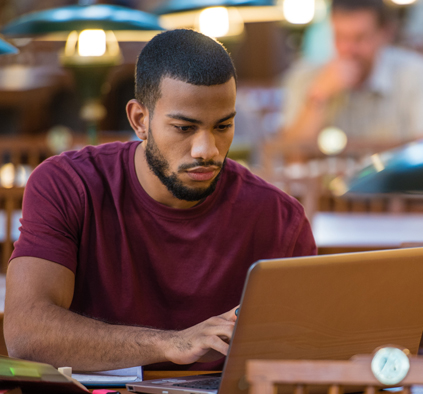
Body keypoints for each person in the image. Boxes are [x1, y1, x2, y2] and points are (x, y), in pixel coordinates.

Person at [4, 29, 316, 372]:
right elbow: (26, 334)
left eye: (223, 126)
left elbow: (308, 350)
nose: (206, 150)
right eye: (184, 128)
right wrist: (172, 343)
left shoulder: (279, 217)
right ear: (140, 119)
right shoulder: (68, 184)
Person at [281, 0, 423, 147]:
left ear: (385, 33)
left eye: (359, 38)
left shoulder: (418, 74)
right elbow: (289, 154)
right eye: (340, 37)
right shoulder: (306, 77)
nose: (348, 49)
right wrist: (318, 98)